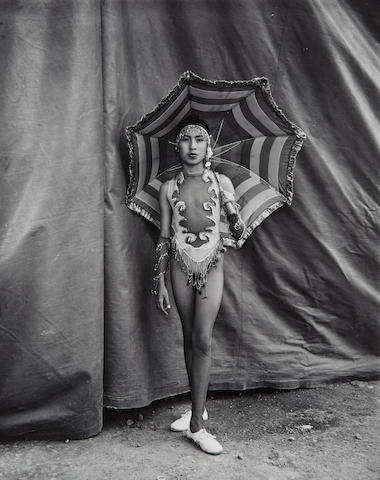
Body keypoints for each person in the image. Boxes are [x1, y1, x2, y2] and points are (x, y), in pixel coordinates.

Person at [153, 116, 245, 455]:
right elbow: (164, 236)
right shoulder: (168, 188)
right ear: (177, 146)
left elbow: (239, 234)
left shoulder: (222, 182)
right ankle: (197, 406)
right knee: (189, 336)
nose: (193, 146)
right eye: (186, 139)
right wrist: (160, 281)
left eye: (199, 139)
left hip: (212, 265)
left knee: (203, 339)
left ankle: (197, 426)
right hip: (178, 265)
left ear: (210, 146)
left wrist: (232, 209)